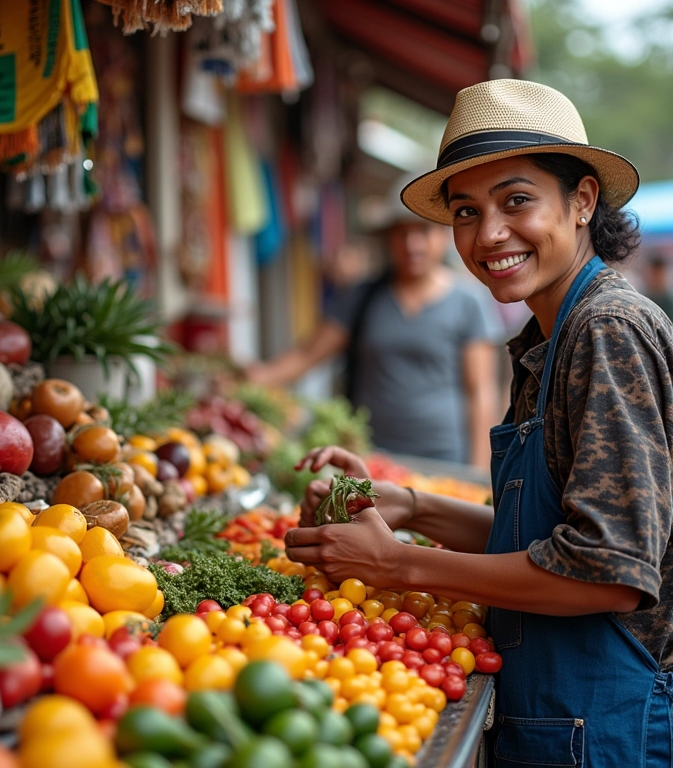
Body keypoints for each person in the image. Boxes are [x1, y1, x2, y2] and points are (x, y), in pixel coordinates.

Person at [284, 79, 673, 765]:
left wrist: (398, 566)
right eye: (465, 211)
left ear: (582, 199)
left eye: (516, 200)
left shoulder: (606, 330)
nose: (488, 234)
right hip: (561, 716)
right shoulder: (547, 340)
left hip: (607, 724)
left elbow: (608, 572)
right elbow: (539, 540)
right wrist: (404, 504)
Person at [245, 175, 504, 470]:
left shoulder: (468, 303)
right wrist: (254, 379)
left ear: (444, 235)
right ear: (387, 239)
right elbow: (307, 355)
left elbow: (481, 392)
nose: (412, 244)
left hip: (443, 459)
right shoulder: (361, 297)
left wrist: (480, 471)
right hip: (373, 460)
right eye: (400, 233)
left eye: (423, 231)